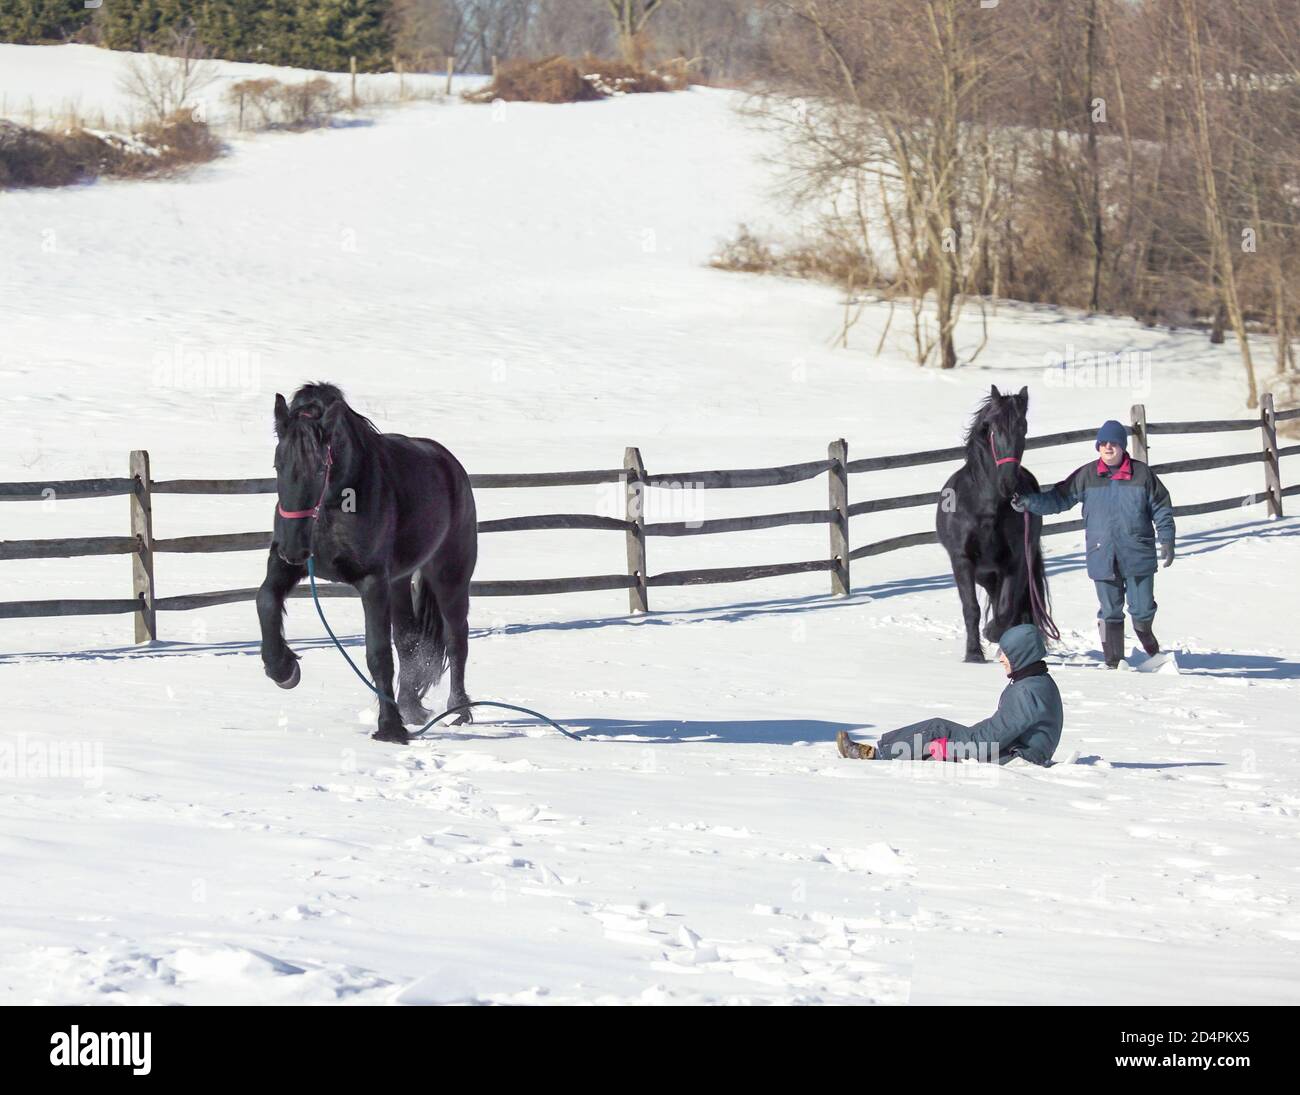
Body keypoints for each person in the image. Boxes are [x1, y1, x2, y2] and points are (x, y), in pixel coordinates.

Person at [1010, 419, 1175, 668]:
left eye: (1114, 443)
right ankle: (1113, 662)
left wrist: (1167, 539)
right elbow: (1059, 499)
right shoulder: (1086, 475)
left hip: (1137, 554)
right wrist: (1030, 503)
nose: (1108, 448)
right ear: (1098, 447)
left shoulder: (1142, 475)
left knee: (1142, 610)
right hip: (1102, 555)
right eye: (1103, 443)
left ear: (1122, 446)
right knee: (1110, 611)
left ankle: (1150, 647)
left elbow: (1161, 508)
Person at [837, 624, 1063, 765]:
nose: (1001, 659)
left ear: (1022, 655)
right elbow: (1001, 728)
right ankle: (883, 752)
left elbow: (990, 740)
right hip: (1017, 751)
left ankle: (875, 757)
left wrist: (953, 746)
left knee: (936, 730)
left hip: (1018, 759)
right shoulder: (1035, 682)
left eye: (1006, 653)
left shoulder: (1026, 692)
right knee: (937, 735)